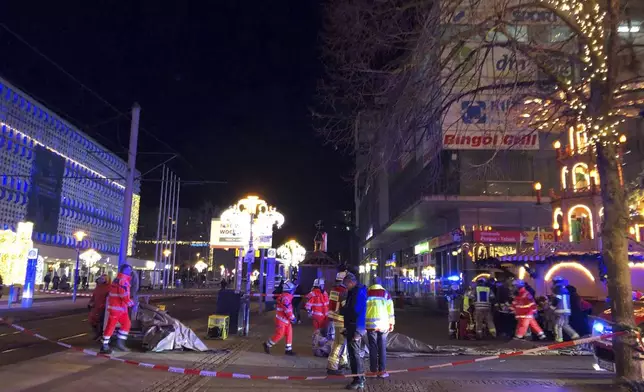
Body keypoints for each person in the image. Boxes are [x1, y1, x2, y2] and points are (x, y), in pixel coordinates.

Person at [341, 272, 367, 390]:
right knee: (354, 354)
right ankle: (358, 377)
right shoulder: (355, 292)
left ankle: (358, 379)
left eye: (346, 284)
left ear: (351, 282)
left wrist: (357, 331)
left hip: (356, 327)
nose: (345, 287)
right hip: (353, 326)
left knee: (354, 354)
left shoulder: (357, 292)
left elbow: (356, 310)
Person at [101, 264, 135, 354]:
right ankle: (105, 346)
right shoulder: (123, 281)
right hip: (118, 308)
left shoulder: (118, 279)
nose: (131, 272)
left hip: (120, 308)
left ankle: (119, 343)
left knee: (126, 324)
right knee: (111, 326)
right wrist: (131, 304)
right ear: (125, 271)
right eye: (129, 270)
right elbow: (123, 295)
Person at [366, 277, 394, 378]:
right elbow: (390, 310)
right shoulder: (386, 294)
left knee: (372, 347)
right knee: (382, 347)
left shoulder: (367, 293)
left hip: (370, 325)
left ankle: (373, 371)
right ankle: (382, 371)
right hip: (383, 325)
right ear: (380, 283)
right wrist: (391, 323)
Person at [263, 282, 296, 356]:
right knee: (280, 334)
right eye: (292, 289)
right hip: (282, 320)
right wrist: (292, 318)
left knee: (289, 333)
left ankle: (288, 349)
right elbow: (287, 310)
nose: (293, 291)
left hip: (285, 319)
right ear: (289, 290)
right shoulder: (286, 298)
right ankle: (267, 344)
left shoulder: (286, 297)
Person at [326, 271, 349, 375]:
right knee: (339, 343)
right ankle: (332, 366)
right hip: (341, 319)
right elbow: (345, 307)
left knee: (340, 341)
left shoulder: (334, 289)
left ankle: (343, 362)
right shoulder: (344, 291)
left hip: (335, 319)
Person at [551, 277, 580, 342]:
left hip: (560, 310)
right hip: (567, 310)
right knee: (565, 325)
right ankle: (574, 335)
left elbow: (557, 299)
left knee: (558, 326)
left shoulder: (557, 288)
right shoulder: (565, 289)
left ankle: (558, 340)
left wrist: (552, 307)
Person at [306, 278, 329, 355]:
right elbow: (308, 305)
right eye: (322, 285)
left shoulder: (324, 293)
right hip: (318, 317)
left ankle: (320, 348)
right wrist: (309, 312)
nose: (323, 286)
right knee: (317, 333)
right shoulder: (313, 294)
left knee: (322, 333)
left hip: (324, 316)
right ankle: (316, 349)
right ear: (320, 285)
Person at [88, 274, 111, 340]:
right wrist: (90, 302)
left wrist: (104, 306)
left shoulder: (109, 288)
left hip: (103, 308)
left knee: (101, 322)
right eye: (101, 278)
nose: (101, 280)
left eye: (103, 279)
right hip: (95, 307)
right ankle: (97, 333)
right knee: (92, 320)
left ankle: (100, 334)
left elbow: (108, 299)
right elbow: (94, 296)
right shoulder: (98, 287)